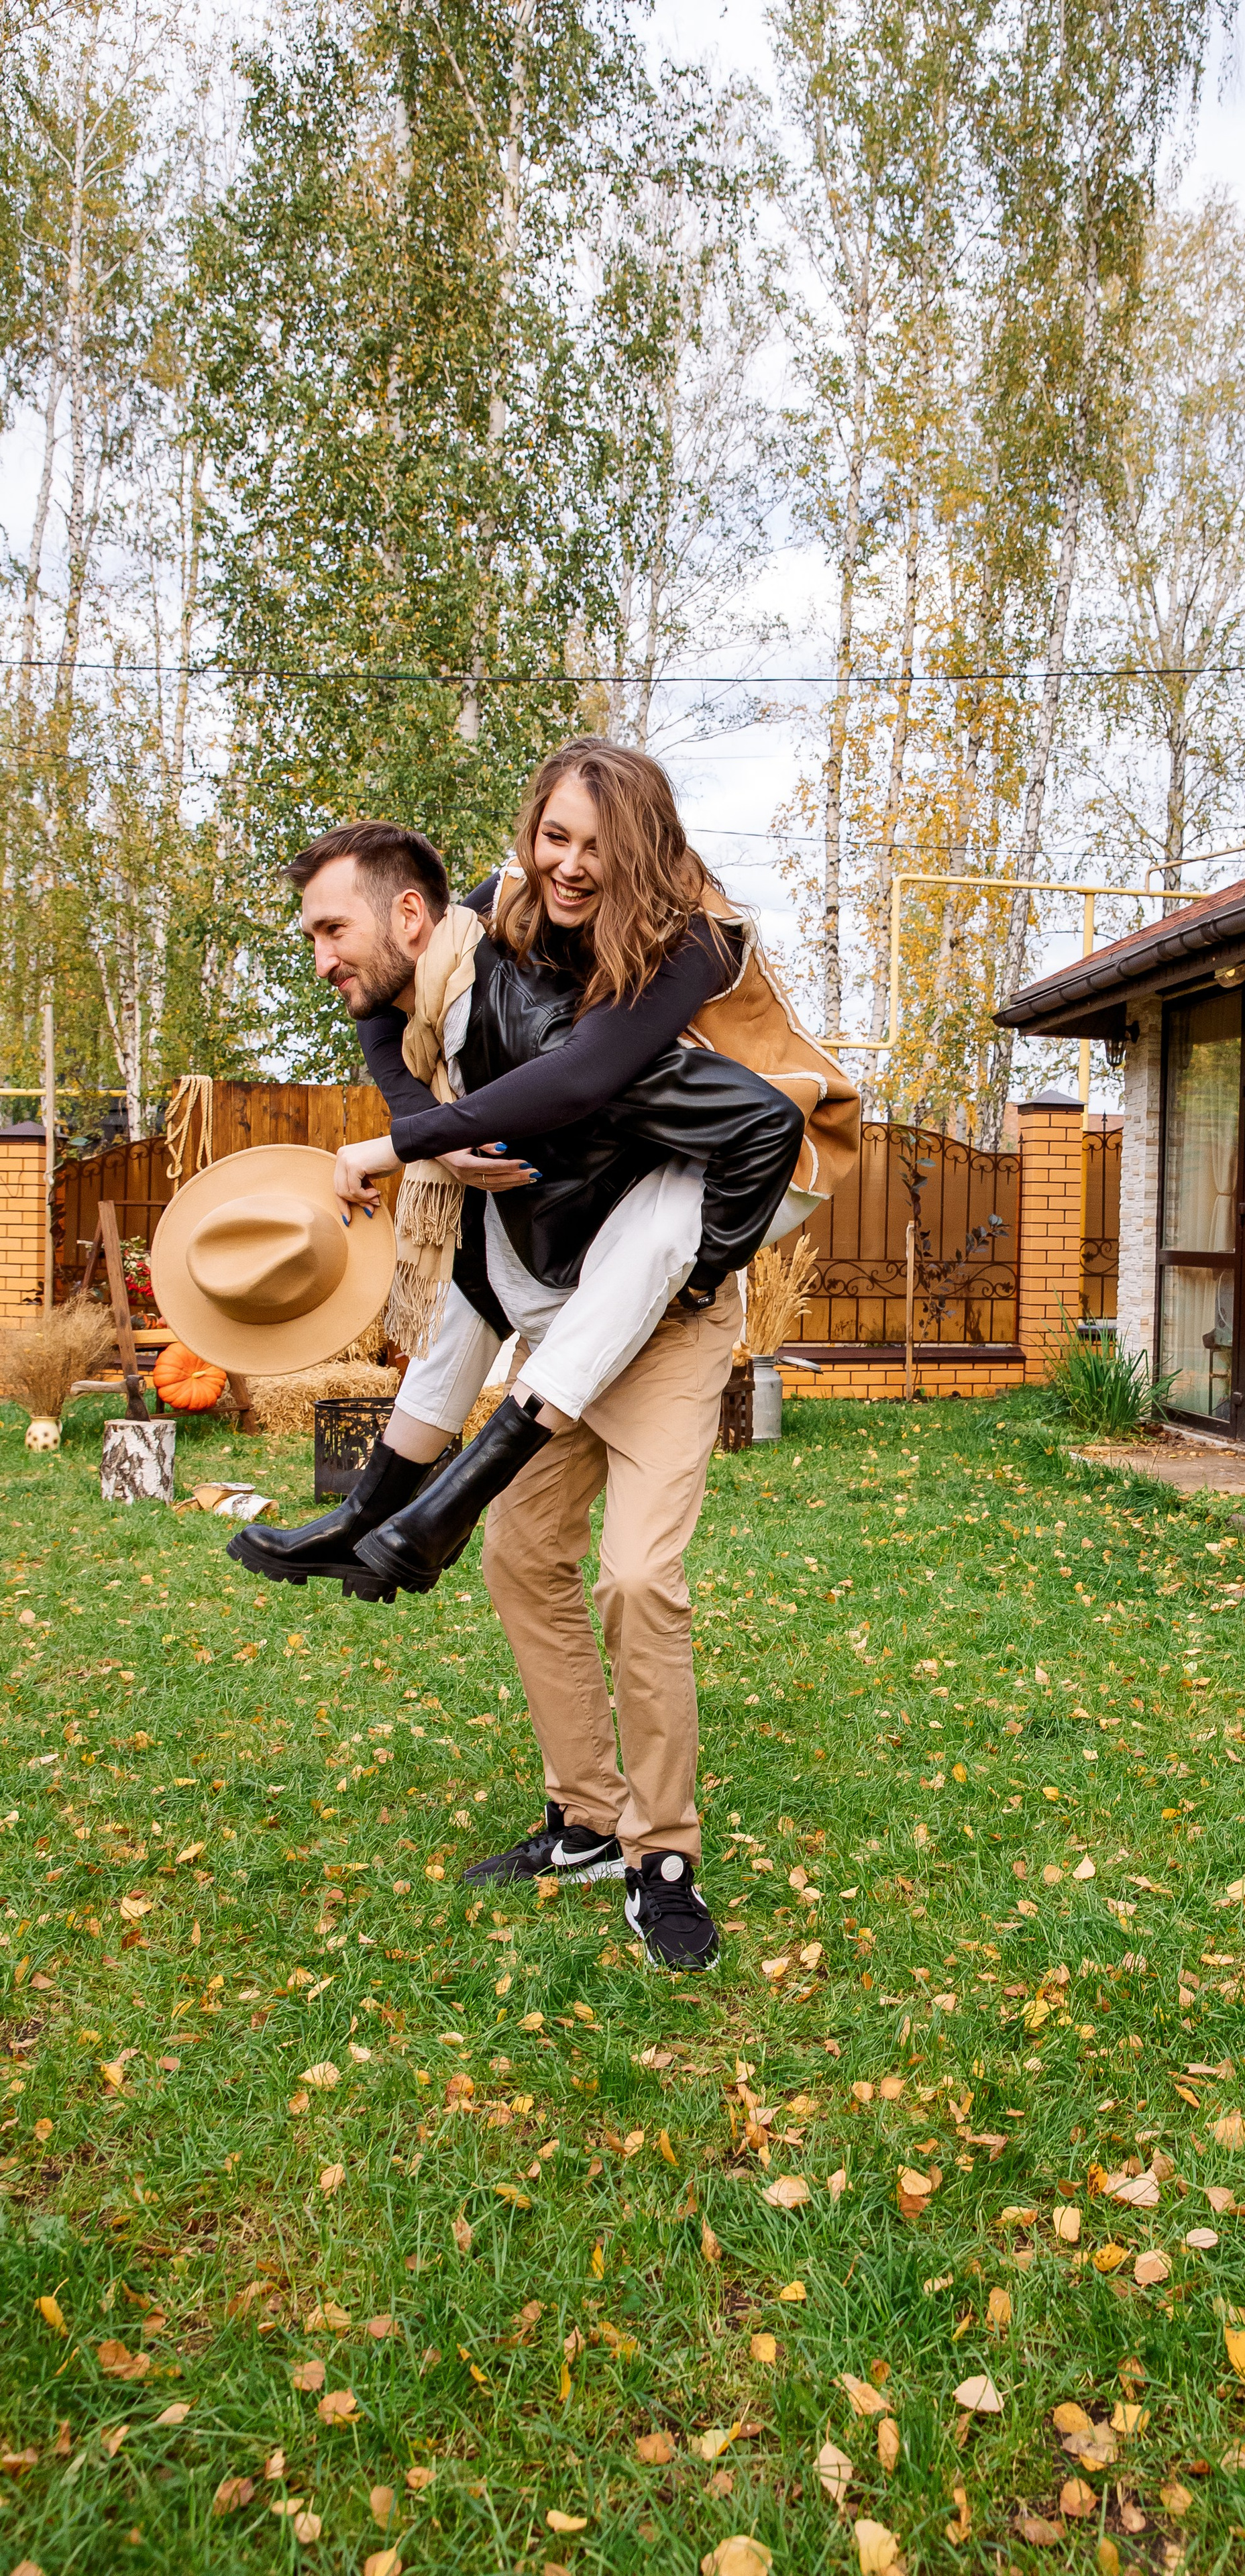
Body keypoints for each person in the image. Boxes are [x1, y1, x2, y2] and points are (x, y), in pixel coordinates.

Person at [235, 747, 858, 1970]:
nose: (570, 865)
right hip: (568, 1295)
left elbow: (584, 1078)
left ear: (642, 849)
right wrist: (434, 1137)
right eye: (552, 838)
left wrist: (399, 1148)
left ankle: (661, 1851)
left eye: (596, 846)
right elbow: (390, 1003)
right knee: (526, 1562)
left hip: (686, 1288)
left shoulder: (697, 941)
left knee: (635, 1580)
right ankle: (582, 1816)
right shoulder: (498, 908)